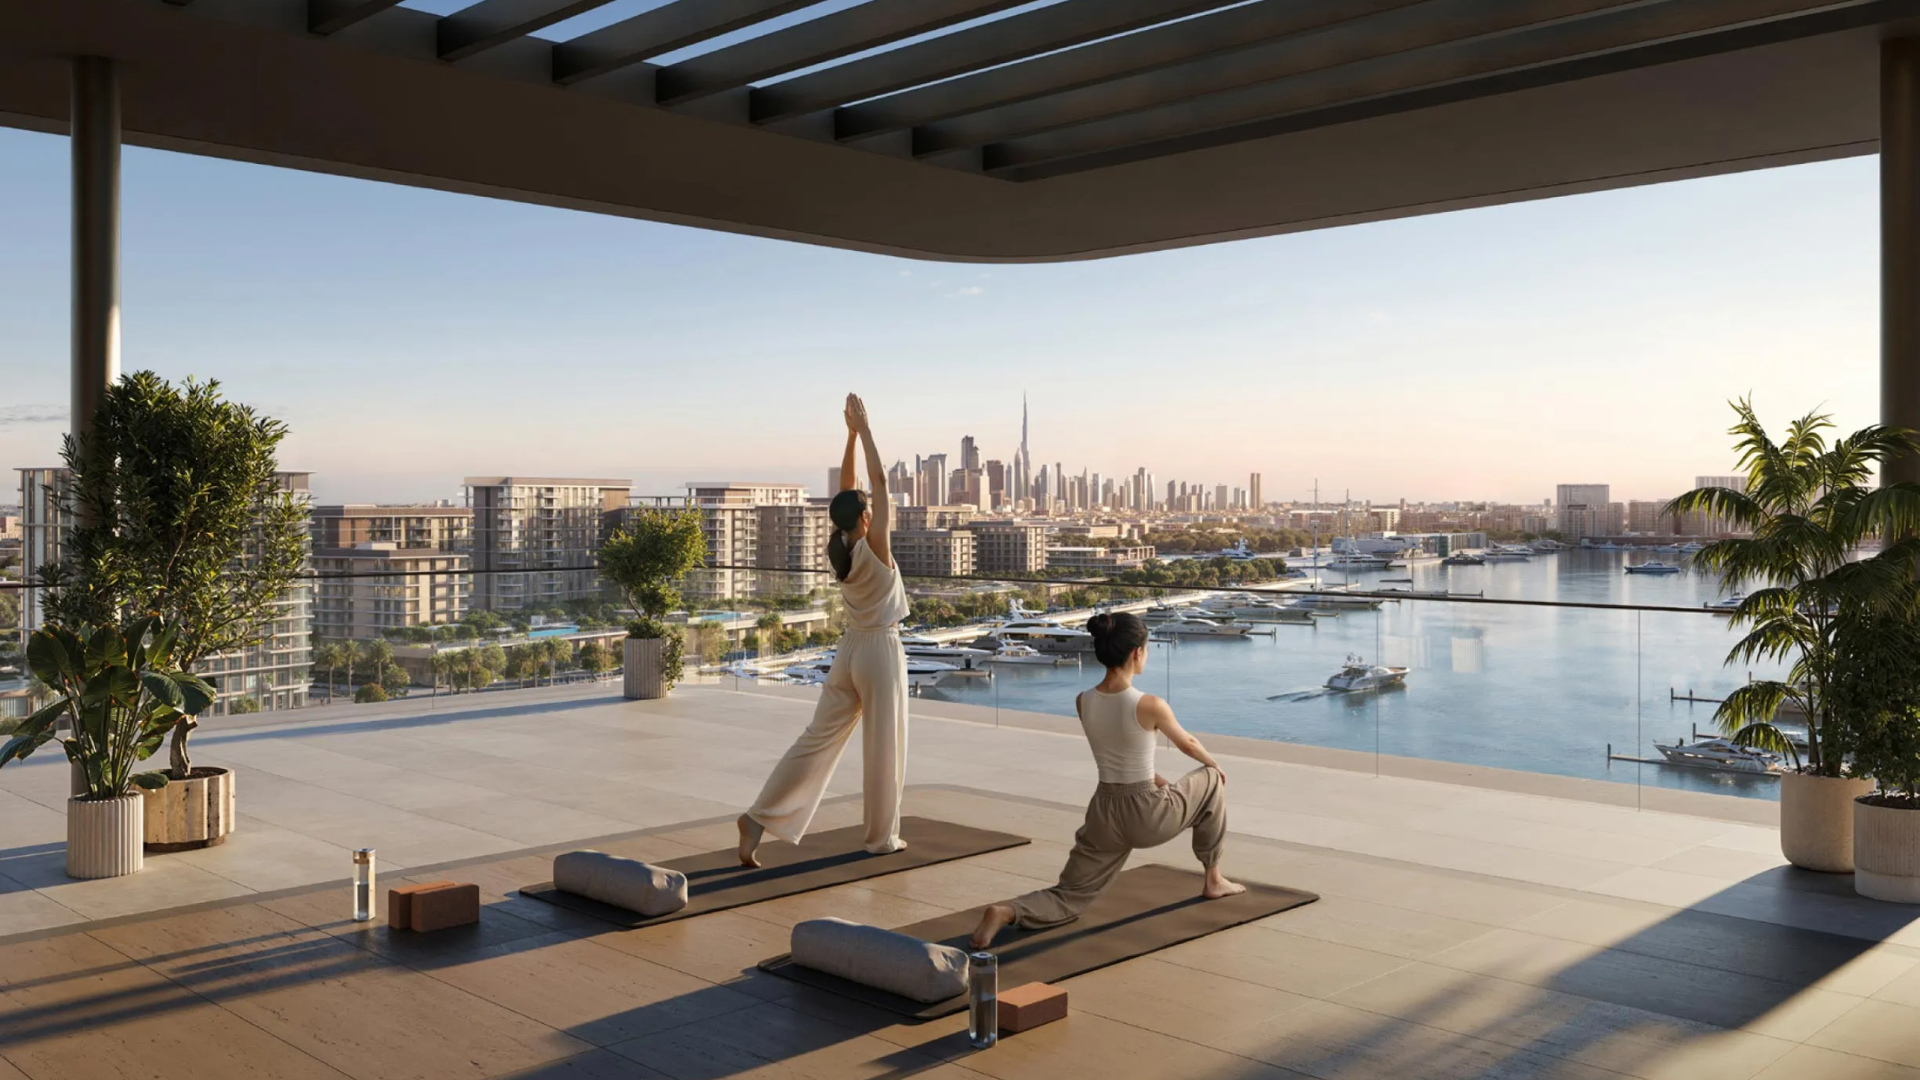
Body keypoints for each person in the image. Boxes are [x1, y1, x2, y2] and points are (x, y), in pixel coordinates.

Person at [970, 611, 1243, 947]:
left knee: (1070, 895)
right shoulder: (1151, 704)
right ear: (1136, 653)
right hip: (1145, 815)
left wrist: (1157, 780)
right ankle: (1213, 879)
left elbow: (1121, 753)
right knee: (1211, 779)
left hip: (1103, 813)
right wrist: (1215, 765)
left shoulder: (1083, 701)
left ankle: (1006, 912)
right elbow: (1189, 744)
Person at [738, 393, 911, 865]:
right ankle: (881, 838)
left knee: (817, 739)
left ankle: (759, 817)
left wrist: (849, 437)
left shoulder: (841, 547)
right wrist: (867, 430)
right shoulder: (874, 544)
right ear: (866, 517)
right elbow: (875, 482)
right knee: (884, 747)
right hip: (879, 650)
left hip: (849, 651)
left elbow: (850, 487)